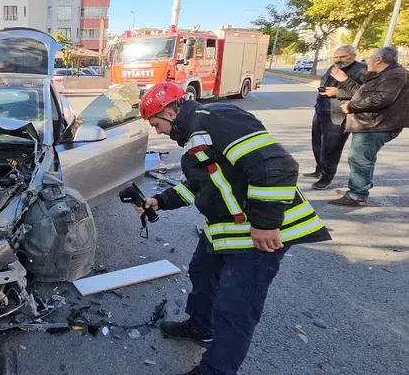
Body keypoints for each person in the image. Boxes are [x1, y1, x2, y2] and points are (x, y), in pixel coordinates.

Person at [134, 83, 331, 375]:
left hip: (259, 234)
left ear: (170, 113)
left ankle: (216, 370)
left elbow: (276, 165)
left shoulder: (216, 118)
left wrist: (265, 223)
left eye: (156, 124)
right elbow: (203, 184)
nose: (158, 132)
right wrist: (160, 201)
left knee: (235, 307)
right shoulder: (193, 135)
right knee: (202, 273)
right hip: (227, 230)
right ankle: (201, 327)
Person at [325, 46, 409, 206]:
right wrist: (345, 81)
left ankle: (357, 195)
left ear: (379, 60)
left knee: (360, 159)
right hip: (370, 124)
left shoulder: (395, 75)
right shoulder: (382, 74)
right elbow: (360, 92)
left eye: (370, 57)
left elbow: (382, 99)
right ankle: (357, 189)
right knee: (360, 158)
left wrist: (351, 106)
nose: (367, 61)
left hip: (376, 125)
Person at [305, 45, 367, 190]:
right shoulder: (333, 67)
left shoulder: (362, 70)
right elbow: (324, 81)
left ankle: (326, 177)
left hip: (339, 114)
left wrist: (338, 93)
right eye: (336, 57)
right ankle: (319, 170)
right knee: (317, 143)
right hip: (321, 110)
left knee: (331, 147)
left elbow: (363, 92)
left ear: (353, 56)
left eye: (343, 56)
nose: (339, 60)